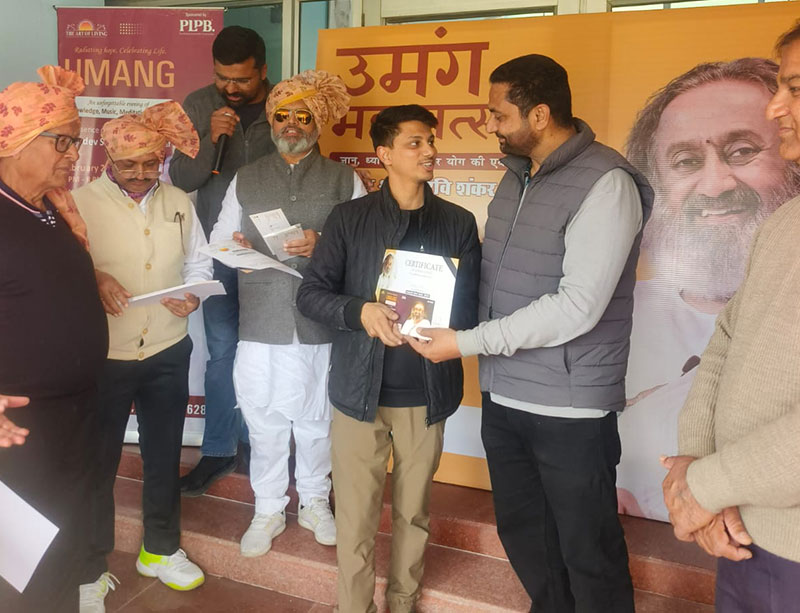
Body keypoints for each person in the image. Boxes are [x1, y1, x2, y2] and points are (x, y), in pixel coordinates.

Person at [409, 55, 653, 612]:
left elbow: (578, 306)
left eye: (498, 115)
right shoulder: (516, 176)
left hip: (569, 406)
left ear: (539, 115)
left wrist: (463, 343)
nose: (489, 124)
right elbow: (495, 274)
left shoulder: (606, 183)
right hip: (505, 393)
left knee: (587, 550)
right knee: (526, 536)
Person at [297, 104, 481, 613]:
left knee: (414, 513)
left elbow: (469, 308)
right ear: (384, 154)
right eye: (415, 142)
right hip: (359, 393)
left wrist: (441, 320)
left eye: (431, 141)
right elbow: (311, 295)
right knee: (355, 518)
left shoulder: (458, 223)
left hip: (427, 391)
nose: (429, 151)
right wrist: (359, 311)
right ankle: (354, 606)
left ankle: (403, 600)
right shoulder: (349, 219)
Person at [618, 58, 800, 519]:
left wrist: (704, 491)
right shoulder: (621, 314)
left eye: (742, 151)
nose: (715, 186)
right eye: (685, 162)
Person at [661, 21, 800, 612]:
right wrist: (697, 467)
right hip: (744, 534)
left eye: (795, 89)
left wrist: (705, 487)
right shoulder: (785, 224)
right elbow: (726, 342)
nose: (777, 107)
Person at [210, 70, 365, 558]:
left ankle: (315, 502)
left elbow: (365, 249)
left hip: (321, 322)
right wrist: (236, 248)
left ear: (318, 123)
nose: (291, 125)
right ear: (272, 121)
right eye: (282, 116)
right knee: (265, 418)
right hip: (262, 321)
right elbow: (219, 239)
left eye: (302, 116)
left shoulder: (344, 178)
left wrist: (324, 244)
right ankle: (268, 507)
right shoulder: (247, 177)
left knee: (318, 420)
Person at [73, 101, 212, 609]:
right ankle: (89, 569)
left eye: (149, 163)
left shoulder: (177, 200)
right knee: (97, 463)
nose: (138, 173)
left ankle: (160, 549)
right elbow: (62, 268)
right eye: (127, 164)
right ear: (107, 158)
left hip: (168, 349)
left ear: (162, 159)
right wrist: (94, 278)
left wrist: (193, 292)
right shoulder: (79, 203)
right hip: (104, 356)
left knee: (163, 455)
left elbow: (198, 260)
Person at [0, 66, 108, 613]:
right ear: (17, 141)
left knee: (65, 539)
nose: (73, 153)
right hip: (21, 423)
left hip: (76, 411)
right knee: (24, 561)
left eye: (76, 140)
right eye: (62, 140)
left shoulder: (51, 210)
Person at [170, 25, 275, 496]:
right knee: (221, 352)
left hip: (270, 256)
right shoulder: (198, 105)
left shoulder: (285, 105)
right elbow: (182, 178)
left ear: (263, 71)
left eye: (242, 79)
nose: (230, 88)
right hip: (216, 252)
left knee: (263, 353)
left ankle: (257, 446)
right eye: (222, 77)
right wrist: (210, 138)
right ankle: (217, 450)